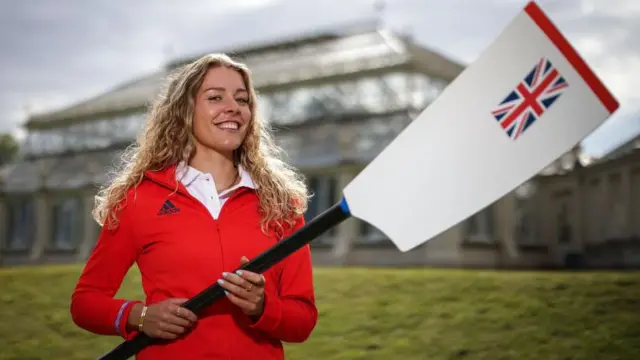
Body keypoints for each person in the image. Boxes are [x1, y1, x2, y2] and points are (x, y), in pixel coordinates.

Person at [70, 53, 318, 360]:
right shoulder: (139, 199)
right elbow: (85, 302)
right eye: (215, 97)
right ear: (186, 111)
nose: (233, 107)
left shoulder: (281, 204)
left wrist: (262, 306)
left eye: (242, 100)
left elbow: (303, 320)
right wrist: (140, 316)